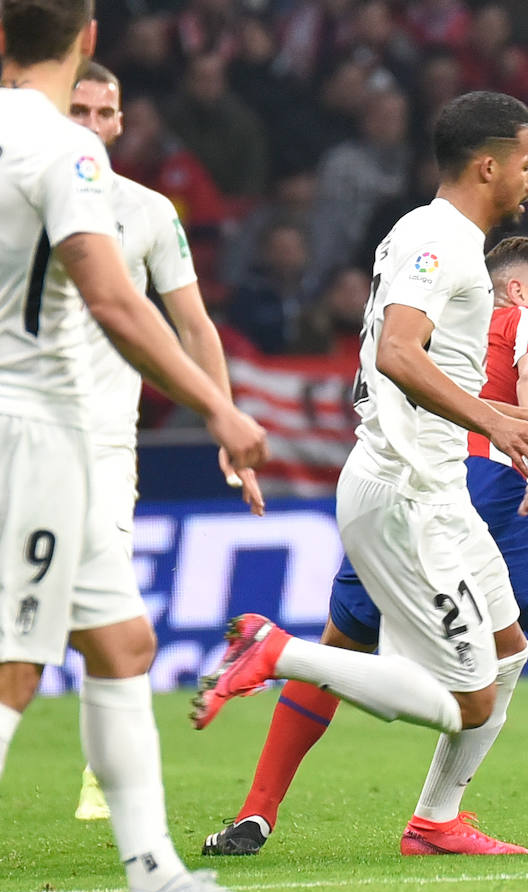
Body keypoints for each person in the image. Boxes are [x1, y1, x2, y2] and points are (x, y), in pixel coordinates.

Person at [203, 236, 528, 856]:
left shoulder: (427, 328)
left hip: (403, 489)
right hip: (492, 493)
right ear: (518, 291)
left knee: (350, 645)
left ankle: (255, 818)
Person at [191, 91, 528, 857]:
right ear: (489, 165)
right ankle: (277, 652)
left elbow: (425, 366)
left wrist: (521, 417)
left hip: (434, 485)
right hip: (407, 491)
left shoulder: (426, 232)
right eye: (527, 162)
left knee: (509, 649)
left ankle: (436, 820)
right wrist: (498, 422)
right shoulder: (442, 242)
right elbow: (398, 352)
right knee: (466, 699)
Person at [0, 2, 276, 892]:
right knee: (15, 665)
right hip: (33, 427)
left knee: (124, 644)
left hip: (64, 439)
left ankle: (156, 881)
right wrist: (218, 409)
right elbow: (115, 301)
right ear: (87, 38)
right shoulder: (65, 152)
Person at [65, 60, 267, 824]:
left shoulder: (147, 211)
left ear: (121, 124)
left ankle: (107, 775)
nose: (91, 125)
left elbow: (194, 326)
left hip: (105, 448)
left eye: (103, 112)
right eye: (77, 110)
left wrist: (223, 419)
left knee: (120, 623)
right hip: (21, 438)